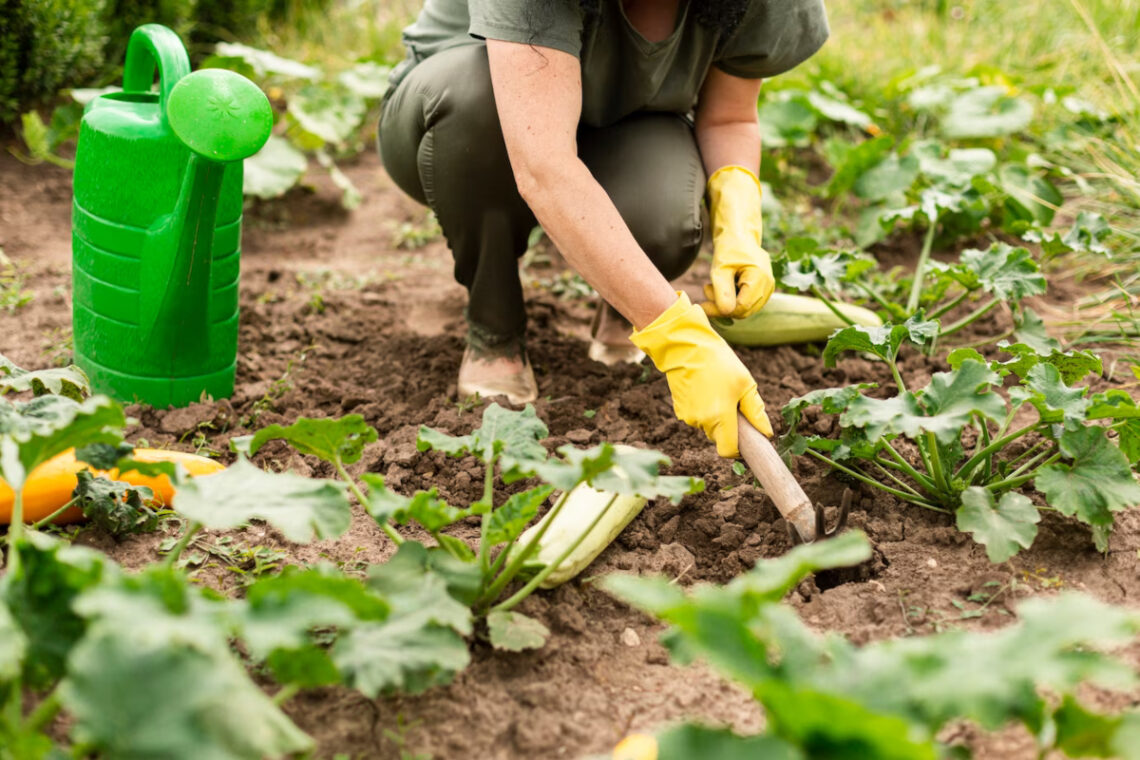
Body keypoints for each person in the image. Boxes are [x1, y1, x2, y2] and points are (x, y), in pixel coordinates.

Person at [378, 0, 829, 458]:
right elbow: (544, 167)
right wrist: (679, 340)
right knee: (477, 103)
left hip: (623, 122)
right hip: (466, 117)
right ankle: (494, 327)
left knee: (663, 218)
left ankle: (624, 305)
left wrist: (738, 224)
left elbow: (730, 117)